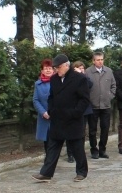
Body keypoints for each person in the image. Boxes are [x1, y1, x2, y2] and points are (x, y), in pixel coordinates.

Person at [32, 54, 91, 182]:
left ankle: (81, 172)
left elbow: (84, 100)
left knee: (77, 147)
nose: (56, 70)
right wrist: (51, 110)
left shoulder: (79, 78)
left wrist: (75, 113)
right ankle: (46, 173)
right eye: (55, 68)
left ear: (66, 65)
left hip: (73, 119)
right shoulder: (54, 79)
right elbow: (51, 97)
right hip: (57, 118)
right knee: (53, 147)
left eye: (58, 67)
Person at [85, 51, 116, 159]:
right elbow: (84, 88)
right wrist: (88, 99)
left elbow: (113, 86)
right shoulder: (88, 72)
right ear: (93, 61)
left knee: (105, 128)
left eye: (102, 59)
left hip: (106, 106)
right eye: (98, 60)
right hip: (93, 106)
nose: (100, 62)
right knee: (92, 130)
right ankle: (94, 150)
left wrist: (110, 96)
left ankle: (102, 150)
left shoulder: (109, 71)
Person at [33, 58, 54, 154]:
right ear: (42, 71)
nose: (48, 70)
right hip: (45, 116)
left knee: (56, 139)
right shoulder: (38, 84)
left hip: (56, 115)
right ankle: (48, 161)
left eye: (50, 68)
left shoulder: (59, 82)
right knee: (47, 140)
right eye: (46, 68)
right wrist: (43, 112)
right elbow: (36, 100)